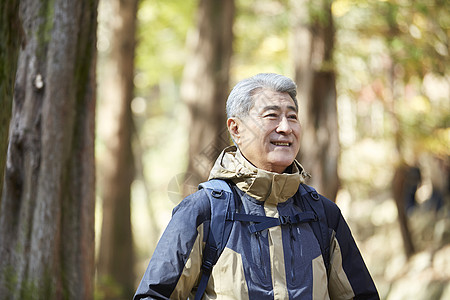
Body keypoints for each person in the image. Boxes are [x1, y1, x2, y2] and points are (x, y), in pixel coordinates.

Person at [134, 73, 379, 299]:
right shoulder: (203, 211)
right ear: (236, 129)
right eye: (271, 116)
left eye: (292, 117)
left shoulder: (324, 215)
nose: (285, 128)